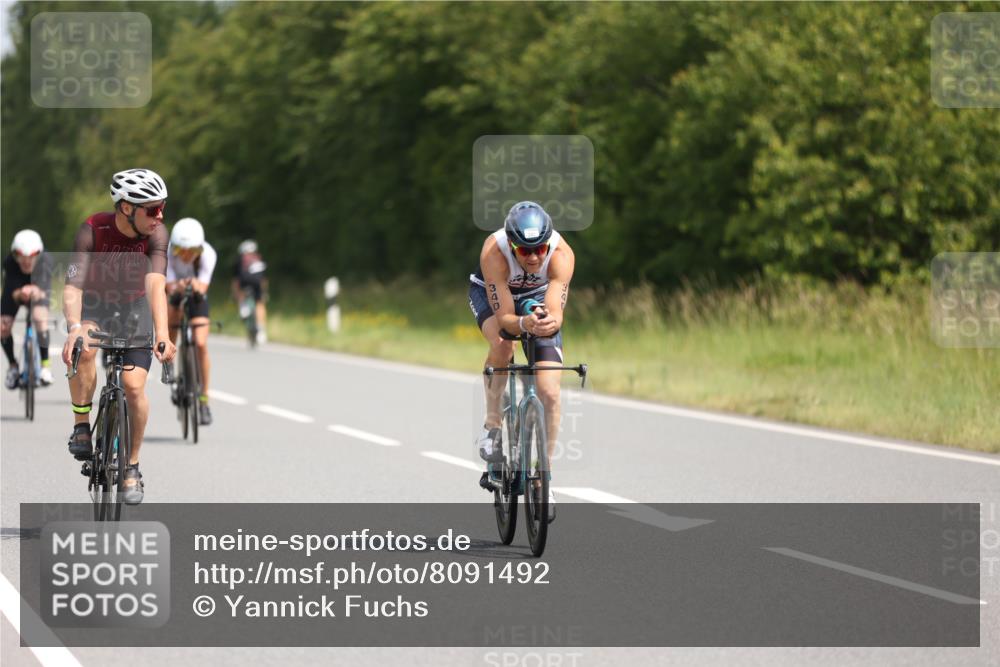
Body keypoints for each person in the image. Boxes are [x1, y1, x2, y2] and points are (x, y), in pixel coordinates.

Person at [61, 168, 177, 505]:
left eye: (162, 208)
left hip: (134, 307)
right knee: (84, 348)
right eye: (152, 209)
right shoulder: (93, 230)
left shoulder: (157, 234)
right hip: (96, 305)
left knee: (134, 386)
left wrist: (163, 334)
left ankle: (132, 467)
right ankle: (82, 425)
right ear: (126, 207)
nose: (160, 216)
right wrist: (73, 328)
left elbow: (156, 285)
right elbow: (73, 285)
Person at [467, 201, 575, 522]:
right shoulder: (494, 253)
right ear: (511, 244)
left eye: (538, 249)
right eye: (523, 250)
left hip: (537, 300)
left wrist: (546, 323)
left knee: (550, 392)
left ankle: (545, 477)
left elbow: (555, 312)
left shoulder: (561, 255)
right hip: (493, 297)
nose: (532, 257)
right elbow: (505, 320)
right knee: (502, 344)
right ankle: (492, 425)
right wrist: (523, 325)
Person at [166, 217, 217, 426]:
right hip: (176, 290)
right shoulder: (167, 252)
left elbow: (202, 288)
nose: (185, 255)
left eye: (190, 251)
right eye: (180, 250)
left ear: (199, 249)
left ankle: (204, 399)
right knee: (171, 318)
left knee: (201, 342)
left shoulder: (209, 254)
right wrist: (179, 285)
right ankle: (168, 360)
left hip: (196, 293)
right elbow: (168, 286)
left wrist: (193, 284)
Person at [1, 230, 54, 388]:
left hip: (39, 290)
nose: (26, 262)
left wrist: (36, 292)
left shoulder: (46, 261)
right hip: (16, 291)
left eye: (31, 258)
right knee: (3, 326)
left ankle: (45, 366)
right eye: (22, 258)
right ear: (15, 256)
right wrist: (22, 293)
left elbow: (44, 290)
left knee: (40, 318)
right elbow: (12, 291)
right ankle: (13, 366)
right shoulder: (9, 262)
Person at [231, 239, 268, 343]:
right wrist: (264, 292)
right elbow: (263, 279)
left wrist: (235, 293)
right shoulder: (259, 260)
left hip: (244, 283)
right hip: (257, 284)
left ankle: (243, 307)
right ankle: (261, 330)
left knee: (241, 292)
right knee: (260, 304)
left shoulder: (239, 260)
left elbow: (236, 280)